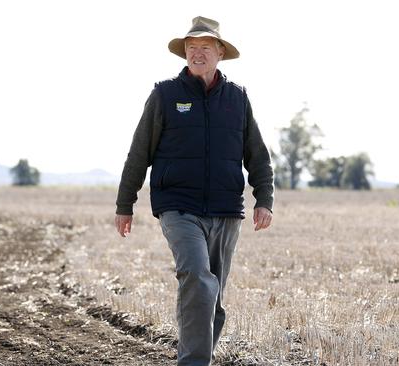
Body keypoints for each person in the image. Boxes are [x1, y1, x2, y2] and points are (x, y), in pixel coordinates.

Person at [114, 16, 274, 366]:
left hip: (226, 209)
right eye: (191, 48)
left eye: (204, 47)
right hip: (178, 206)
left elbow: (258, 155)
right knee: (197, 278)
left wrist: (265, 199)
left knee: (211, 297)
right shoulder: (165, 94)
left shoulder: (237, 98)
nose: (197, 53)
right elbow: (139, 151)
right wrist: (125, 202)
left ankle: (195, 354)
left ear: (220, 53)